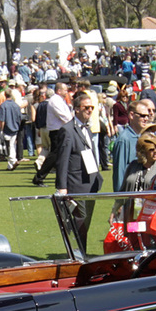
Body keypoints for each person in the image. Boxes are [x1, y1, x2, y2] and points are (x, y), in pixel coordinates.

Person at [56, 91, 104, 253]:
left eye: (92, 107)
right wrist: (62, 187)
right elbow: (62, 160)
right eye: (86, 108)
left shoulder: (87, 129)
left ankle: (80, 252)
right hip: (76, 184)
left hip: (91, 184)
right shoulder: (67, 130)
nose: (90, 110)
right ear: (76, 109)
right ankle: (79, 253)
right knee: (79, 221)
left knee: (86, 222)